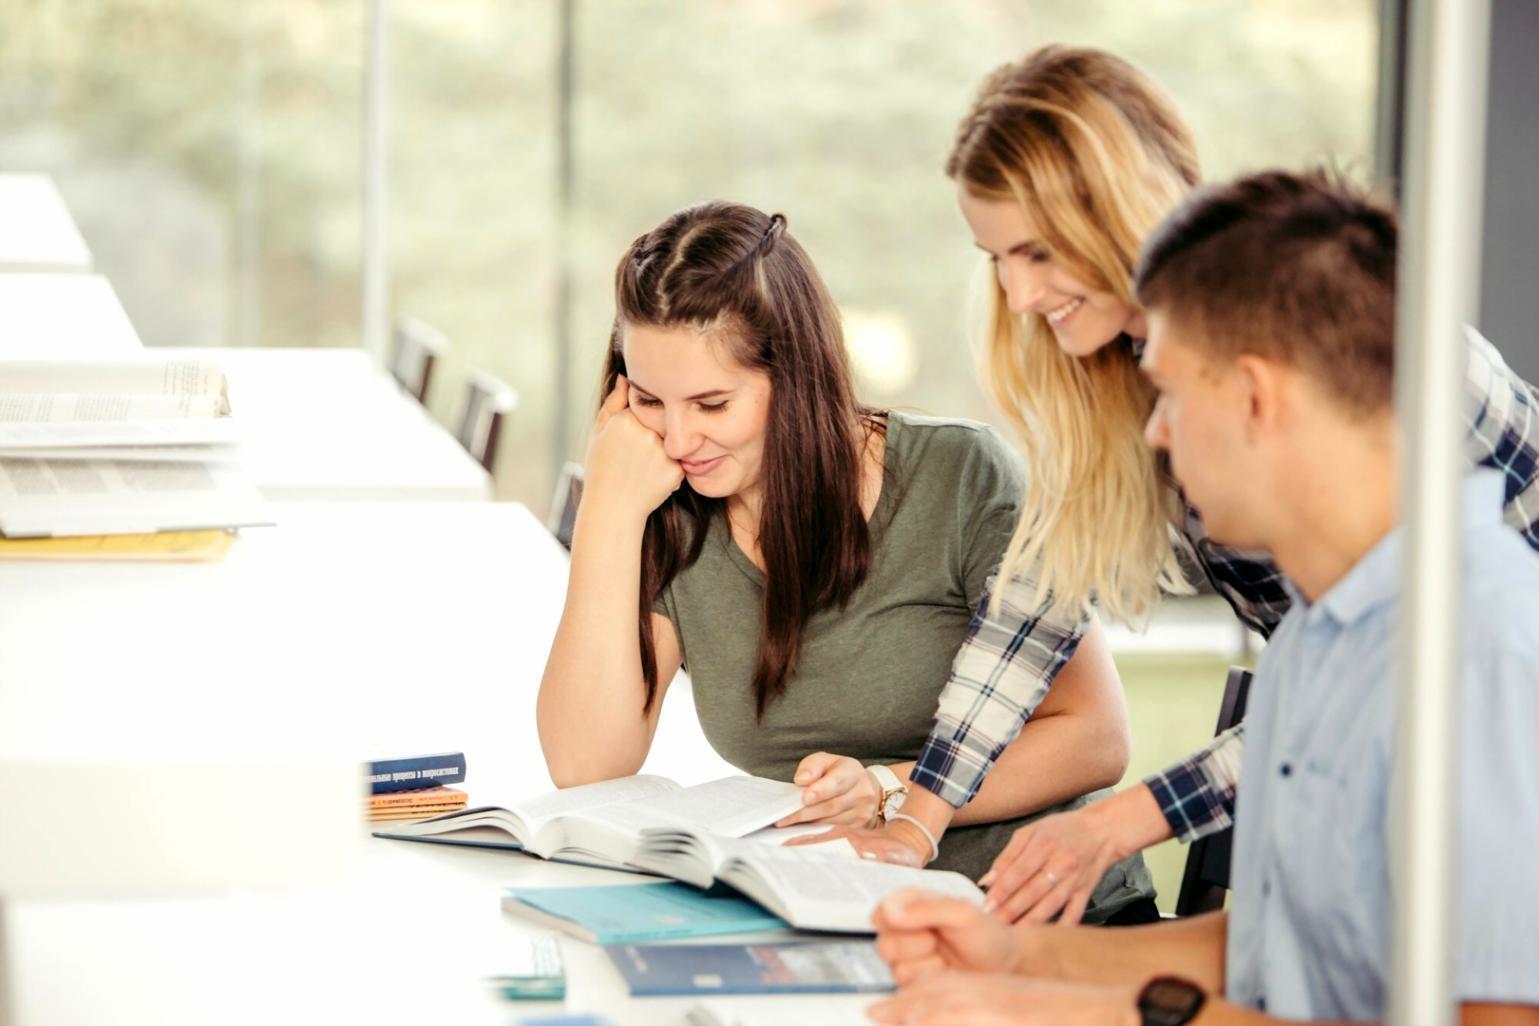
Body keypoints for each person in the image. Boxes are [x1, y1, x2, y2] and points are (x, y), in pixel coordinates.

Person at [834, 46, 1539, 928]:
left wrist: (1116, 825)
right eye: (994, 260)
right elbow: (1036, 605)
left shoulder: (1349, 347)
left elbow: (1403, 682)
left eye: (1038, 250)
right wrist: (920, 817)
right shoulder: (1119, 367)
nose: (1016, 296)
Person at [534, 199, 1156, 918]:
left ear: (794, 380)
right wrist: (608, 513)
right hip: (831, 913)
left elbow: (1095, 736)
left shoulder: (959, 477)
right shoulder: (671, 507)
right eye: (647, 400)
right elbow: (586, 766)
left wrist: (889, 788)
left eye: (711, 404)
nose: (676, 439)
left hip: (1030, 907)